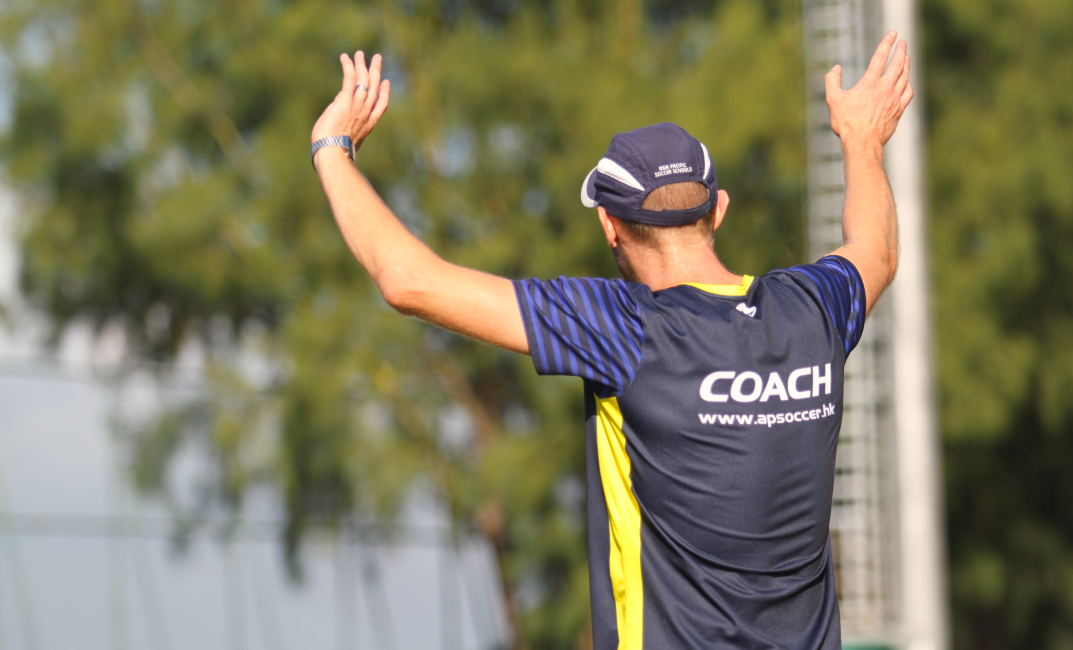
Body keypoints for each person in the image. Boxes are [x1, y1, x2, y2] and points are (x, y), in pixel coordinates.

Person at [310, 30, 912, 650]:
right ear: (719, 210)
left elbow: (409, 282)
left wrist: (332, 149)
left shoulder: (622, 329)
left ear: (609, 225)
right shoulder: (809, 313)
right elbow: (877, 252)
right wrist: (862, 140)